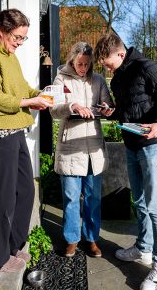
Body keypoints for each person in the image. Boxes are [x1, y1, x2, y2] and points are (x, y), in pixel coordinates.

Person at [94, 33, 157, 290]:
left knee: (156, 204)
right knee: (140, 201)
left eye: (108, 63)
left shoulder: (147, 67)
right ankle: (143, 249)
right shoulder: (120, 77)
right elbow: (129, 109)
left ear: (121, 54)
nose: (107, 69)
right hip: (131, 144)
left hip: (153, 144)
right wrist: (112, 113)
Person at [0, 9, 53, 273]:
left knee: (26, 191)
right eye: (17, 37)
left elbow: (22, 87)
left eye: (24, 38)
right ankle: (0, 257)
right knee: (4, 198)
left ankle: (15, 245)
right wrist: (28, 102)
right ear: (2, 31)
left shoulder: (11, 57)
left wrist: (42, 95)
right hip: (1, 135)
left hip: (17, 131)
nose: (19, 42)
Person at [49, 42, 114, 258]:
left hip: (93, 148)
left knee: (93, 198)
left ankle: (91, 239)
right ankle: (71, 240)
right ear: (72, 60)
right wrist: (72, 106)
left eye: (87, 64)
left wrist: (106, 108)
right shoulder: (61, 79)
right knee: (71, 197)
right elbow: (53, 109)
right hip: (71, 147)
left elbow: (108, 104)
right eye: (79, 63)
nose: (83, 68)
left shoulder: (98, 80)